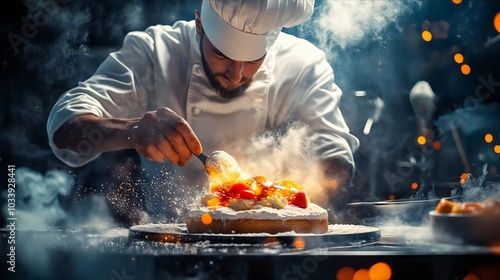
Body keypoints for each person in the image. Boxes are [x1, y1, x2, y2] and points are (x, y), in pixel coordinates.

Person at [47, 0, 359, 224]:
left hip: (271, 247)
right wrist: (132, 130)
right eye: (222, 55)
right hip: (165, 240)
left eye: (252, 61)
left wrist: (273, 198)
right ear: (199, 24)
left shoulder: (303, 64)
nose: (236, 75)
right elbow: (65, 127)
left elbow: (334, 156)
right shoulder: (155, 52)